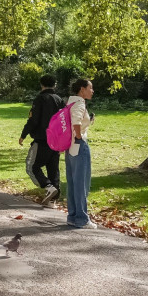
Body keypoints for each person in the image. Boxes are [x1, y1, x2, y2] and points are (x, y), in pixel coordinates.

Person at [18, 74, 63, 206]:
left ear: (41, 84)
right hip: (56, 142)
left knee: (33, 166)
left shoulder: (40, 99)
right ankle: (53, 201)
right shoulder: (59, 100)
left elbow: (34, 120)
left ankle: (48, 187)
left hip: (42, 139)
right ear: (55, 85)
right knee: (53, 170)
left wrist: (23, 134)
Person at [65, 79, 96, 228]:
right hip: (79, 145)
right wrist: (78, 137)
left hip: (69, 147)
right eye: (90, 88)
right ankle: (82, 219)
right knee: (81, 183)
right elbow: (76, 122)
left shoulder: (70, 102)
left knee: (72, 182)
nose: (92, 91)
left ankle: (72, 216)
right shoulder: (79, 103)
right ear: (82, 89)